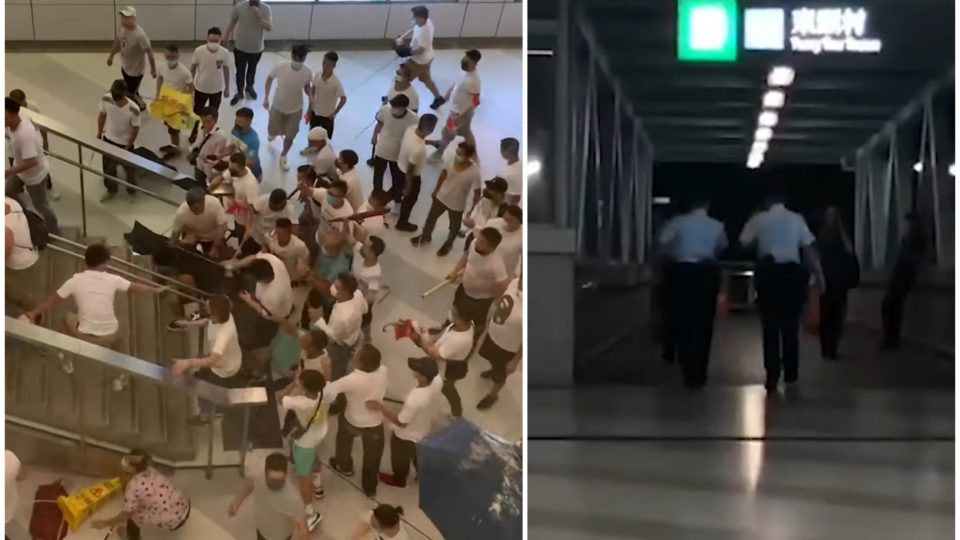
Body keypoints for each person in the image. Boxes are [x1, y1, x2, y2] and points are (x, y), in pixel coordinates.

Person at [23, 244, 167, 391]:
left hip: (83, 333)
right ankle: (122, 376)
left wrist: (32, 314)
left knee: (66, 319)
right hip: (110, 334)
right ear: (105, 262)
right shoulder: (113, 279)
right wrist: (155, 289)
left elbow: (51, 302)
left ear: (86, 261)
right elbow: (135, 287)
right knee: (122, 342)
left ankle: (66, 358)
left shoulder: (75, 281)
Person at [739, 188, 825, 393]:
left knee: (769, 326)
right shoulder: (797, 219)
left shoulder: (760, 219)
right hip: (792, 274)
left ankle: (772, 373)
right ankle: (791, 371)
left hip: (768, 273)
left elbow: (743, 243)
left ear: (768, 201)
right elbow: (808, 248)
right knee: (790, 325)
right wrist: (819, 275)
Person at [658, 195, 727, 388]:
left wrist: (674, 254)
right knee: (704, 321)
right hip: (706, 272)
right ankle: (700, 369)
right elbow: (721, 247)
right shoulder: (717, 225)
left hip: (682, 272)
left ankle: (685, 363)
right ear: (707, 205)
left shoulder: (677, 222)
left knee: (682, 317)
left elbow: (663, 244)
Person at [367, 358, 440, 488]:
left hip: (406, 435)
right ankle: (424, 474)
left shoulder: (415, 400)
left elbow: (401, 422)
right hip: (422, 428)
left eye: (417, 370)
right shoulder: (437, 381)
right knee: (417, 455)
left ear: (423, 377)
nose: (414, 371)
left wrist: (381, 407)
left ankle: (398, 480)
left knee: (400, 459)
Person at [327, 344, 387, 497]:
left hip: (353, 420)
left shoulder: (351, 380)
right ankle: (370, 487)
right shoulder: (383, 371)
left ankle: (345, 465)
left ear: (361, 363)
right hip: (375, 423)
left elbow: (329, 393)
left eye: (357, 353)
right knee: (372, 458)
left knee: (343, 443)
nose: (354, 352)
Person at [90, 450, 190, 539]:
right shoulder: (150, 470)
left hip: (173, 521)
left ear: (130, 471)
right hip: (184, 506)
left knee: (133, 517)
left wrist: (104, 523)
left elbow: (124, 515)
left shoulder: (133, 487)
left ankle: (131, 537)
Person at [279, 368, 329, 531]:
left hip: (305, 442)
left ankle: (310, 512)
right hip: (319, 432)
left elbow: (280, 399)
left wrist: (293, 384)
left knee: (303, 475)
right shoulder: (325, 391)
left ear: (305, 388)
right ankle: (318, 484)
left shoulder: (300, 402)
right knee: (313, 456)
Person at [411, 140, 481, 254]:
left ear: (468, 156)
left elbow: (477, 192)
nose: (457, 155)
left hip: (457, 203)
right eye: (457, 152)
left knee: (454, 226)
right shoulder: (451, 159)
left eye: (461, 154)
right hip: (441, 196)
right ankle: (425, 236)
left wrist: (473, 209)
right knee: (431, 218)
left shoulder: (474, 172)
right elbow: (443, 174)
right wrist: (436, 190)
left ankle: (448, 244)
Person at [5, 98, 58, 234]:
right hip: (21, 172)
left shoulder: (24, 136)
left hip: (35, 176)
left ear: (11, 114)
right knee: (8, 191)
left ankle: (54, 230)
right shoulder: (15, 122)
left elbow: (32, 162)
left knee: (41, 205)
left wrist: (10, 171)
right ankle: (23, 214)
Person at [410, 304, 474, 417]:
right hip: (444, 361)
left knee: (448, 390)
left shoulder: (459, 340)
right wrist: (426, 335)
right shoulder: (464, 325)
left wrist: (419, 341)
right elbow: (444, 333)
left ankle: (457, 414)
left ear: (461, 319)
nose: (450, 313)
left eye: (454, 313)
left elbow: (435, 354)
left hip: (447, 370)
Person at [229, 452, 310, 540]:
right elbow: (249, 485)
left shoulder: (293, 498)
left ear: (286, 475)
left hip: (280, 537)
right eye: (272, 480)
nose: (276, 484)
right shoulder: (258, 478)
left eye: (279, 481)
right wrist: (237, 503)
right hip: (261, 529)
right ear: (265, 474)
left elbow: (303, 527)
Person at [448, 227, 509, 339]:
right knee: (457, 309)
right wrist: (455, 271)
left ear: (491, 247)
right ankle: (451, 327)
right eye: (478, 238)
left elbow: (503, 285)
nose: (477, 242)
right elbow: (467, 255)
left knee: (476, 322)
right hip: (464, 288)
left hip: (479, 300)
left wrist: (487, 292)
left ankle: (472, 339)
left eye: (482, 242)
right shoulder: (474, 243)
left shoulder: (496, 263)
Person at [815, 207, 857, 360]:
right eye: (829, 216)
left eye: (834, 216)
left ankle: (832, 348)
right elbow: (817, 258)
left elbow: (850, 250)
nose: (831, 219)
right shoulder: (823, 235)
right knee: (827, 315)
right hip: (828, 279)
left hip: (839, 279)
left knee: (837, 315)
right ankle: (826, 348)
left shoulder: (840, 235)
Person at [881, 213, 927, 350]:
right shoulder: (911, 236)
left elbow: (917, 257)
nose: (906, 226)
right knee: (891, 306)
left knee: (891, 305)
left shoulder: (916, 237)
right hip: (900, 274)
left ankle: (891, 339)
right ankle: (891, 338)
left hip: (904, 275)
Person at [263, 44, 312, 171]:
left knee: (290, 135)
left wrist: (310, 94)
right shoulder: (281, 66)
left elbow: (307, 86)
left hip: (295, 108)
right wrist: (266, 97)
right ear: (292, 56)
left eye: (302, 59)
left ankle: (284, 155)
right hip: (278, 105)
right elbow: (269, 79)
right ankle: (273, 134)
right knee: (272, 130)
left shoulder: (307, 71)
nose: (299, 61)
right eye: (296, 58)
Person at [313, 272, 366, 389]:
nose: (332, 288)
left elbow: (333, 336)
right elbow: (365, 309)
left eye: (336, 287)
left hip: (341, 345)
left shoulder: (344, 317)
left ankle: (335, 388)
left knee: (337, 367)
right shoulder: (358, 294)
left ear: (345, 292)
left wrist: (318, 321)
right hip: (355, 334)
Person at [477, 274, 522, 409]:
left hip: (508, 347)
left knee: (501, 375)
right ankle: (493, 369)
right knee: (491, 359)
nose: (520, 282)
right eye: (521, 278)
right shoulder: (514, 282)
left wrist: (515, 361)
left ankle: (493, 395)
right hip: (493, 336)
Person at [8, 90, 58, 202]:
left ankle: (49, 189)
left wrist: (45, 142)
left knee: (41, 169)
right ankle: (21, 198)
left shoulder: (33, 107)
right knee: (14, 180)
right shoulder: (8, 111)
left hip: (33, 145)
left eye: (23, 103)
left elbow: (42, 125)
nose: (22, 107)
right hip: (14, 151)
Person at [432, 49, 482, 158]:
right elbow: (456, 84)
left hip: (459, 113)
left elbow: (476, 102)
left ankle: (439, 153)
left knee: (447, 132)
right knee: (466, 132)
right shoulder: (465, 71)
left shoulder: (474, 81)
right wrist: (446, 97)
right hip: (456, 110)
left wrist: (460, 118)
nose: (463, 62)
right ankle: (474, 154)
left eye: (466, 61)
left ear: (474, 63)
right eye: (463, 59)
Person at [97, 80, 142, 202]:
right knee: (108, 168)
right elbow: (102, 115)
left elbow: (135, 129)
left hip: (125, 143)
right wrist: (99, 131)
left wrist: (128, 145)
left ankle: (131, 191)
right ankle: (111, 190)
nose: (115, 99)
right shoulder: (106, 99)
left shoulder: (134, 109)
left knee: (129, 169)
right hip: (109, 138)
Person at [395, 113, 439, 232]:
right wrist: (409, 187)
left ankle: (392, 199)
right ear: (428, 128)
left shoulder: (411, 129)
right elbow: (411, 169)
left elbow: (419, 139)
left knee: (397, 188)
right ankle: (402, 223)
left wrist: (431, 142)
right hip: (411, 175)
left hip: (400, 165)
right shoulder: (418, 149)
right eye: (432, 128)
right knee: (410, 199)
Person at [224, 0, 273, 106]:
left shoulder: (266, 8)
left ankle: (249, 87)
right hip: (240, 46)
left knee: (252, 69)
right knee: (240, 70)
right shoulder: (240, 7)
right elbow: (232, 22)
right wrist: (226, 37)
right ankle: (240, 91)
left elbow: (269, 27)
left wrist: (259, 16)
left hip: (256, 48)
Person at [396, 6, 444, 110]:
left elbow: (421, 49)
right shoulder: (426, 21)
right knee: (426, 79)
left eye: (414, 17)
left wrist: (406, 51)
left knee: (400, 78)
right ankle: (438, 98)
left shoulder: (425, 32)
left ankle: (392, 98)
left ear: (421, 18)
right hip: (428, 59)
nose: (412, 19)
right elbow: (413, 29)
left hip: (418, 61)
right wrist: (402, 38)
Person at [189, 27, 231, 144]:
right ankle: (194, 131)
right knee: (197, 113)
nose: (213, 43)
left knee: (212, 115)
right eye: (211, 40)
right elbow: (192, 68)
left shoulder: (224, 53)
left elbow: (226, 70)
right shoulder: (199, 51)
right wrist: (190, 84)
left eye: (216, 41)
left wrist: (227, 87)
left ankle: (208, 134)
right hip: (200, 88)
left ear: (220, 40)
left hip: (216, 90)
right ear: (207, 38)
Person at [371, 95, 417, 202]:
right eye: (392, 106)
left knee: (397, 177)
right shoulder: (385, 109)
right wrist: (374, 136)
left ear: (404, 107)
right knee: (378, 174)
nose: (393, 109)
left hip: (398, 152)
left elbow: (413, 136)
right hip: (382, 149)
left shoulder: (413, 119)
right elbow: (379, 123)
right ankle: (377, 193)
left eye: (396, 107)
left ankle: (396, 195)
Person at [265, 218, 311, 325]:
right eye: (277, 232)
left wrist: (302, 270)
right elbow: (265, 243)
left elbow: (306, 259)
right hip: (276, 274)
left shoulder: (299, 246)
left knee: (291, 296)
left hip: (291, 276)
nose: (278, 236)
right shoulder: (271, 237)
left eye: (281, 234)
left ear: (289, 233)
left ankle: (298, 314)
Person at [109, 7, 156, 111]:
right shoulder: (122, 28)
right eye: (122, 17)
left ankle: (140, 105)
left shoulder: (140, 35)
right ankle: (135, 93)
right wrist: (111, 55)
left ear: (133, 18)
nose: (123, 19)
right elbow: (118, 42)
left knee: (130, 92)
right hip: (125, 66)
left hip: (136, 71)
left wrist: (153, 70)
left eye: (127, 17)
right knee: (130, 87)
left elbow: (150, 53)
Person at [344, 226, 385, 342]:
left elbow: (371, 296)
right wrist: (347, 224)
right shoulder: (360, 250)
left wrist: (359, 307)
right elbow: (351, 240)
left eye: (366, 247)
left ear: (372, 253)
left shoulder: (375, 273)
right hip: (352, 292)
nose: (362, 247)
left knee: (365, 322)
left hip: (362, 300)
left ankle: (367, 337)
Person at [156, 44, 193, 159]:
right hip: (166, 101)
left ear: (178, 56)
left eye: (173, 57)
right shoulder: (162, 66)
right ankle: (173, 145)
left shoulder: (184, 72)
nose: (170, 60)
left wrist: (182, 100)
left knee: (174, 128)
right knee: (169, 126)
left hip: (176, 105)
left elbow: (191, 87)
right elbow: (160, 78)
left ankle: (175, 149)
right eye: (168, 57)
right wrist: (157, 94)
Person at [169, 187, 228, 257]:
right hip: (192, 234)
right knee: (184, 256)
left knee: (215, 259)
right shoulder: (181, 212)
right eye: (193, 209)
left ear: (203, 201)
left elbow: (222, 226)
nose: (196, 211)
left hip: (212, 237)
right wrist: (178, 244)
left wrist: (215, 247)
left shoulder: (214, 203)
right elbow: (176, 231)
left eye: (197, 208)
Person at [5, 197, 39, 315]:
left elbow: (5, 253)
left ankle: (33, 314)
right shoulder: (11, 202)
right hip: (30, 251)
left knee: (18, 293)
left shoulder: (5, 228)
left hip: (19, 265)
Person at [306, 51, 347, 142]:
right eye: (324, 62)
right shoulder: (317, 74)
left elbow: (343, 99)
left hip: (327, 116)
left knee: (326, 140)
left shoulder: (336, 82)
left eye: (328, 64)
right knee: (312, 136)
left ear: (333, 66)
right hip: (315, 113)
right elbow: (313, 88)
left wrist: (335, 112)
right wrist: (309, 109)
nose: (324, 66)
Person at [463, 177, 508, 251]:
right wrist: (470, 219)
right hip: (473, 235)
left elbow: (492, 229)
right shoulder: (485, 198)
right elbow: (477, 211)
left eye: (491, 189)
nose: (486, 189)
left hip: (484, 242)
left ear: (499, 193)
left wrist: (473, 225)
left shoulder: (502, 211)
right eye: (487, 187)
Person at [189, 108, 229, 185]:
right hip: (198, 162)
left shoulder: (221, 136)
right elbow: (198, 142)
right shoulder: (201, 128)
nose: (205, 124)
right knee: (198, 178)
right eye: (203, 121)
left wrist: (207, 159)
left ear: (215, 120)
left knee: (207, 183)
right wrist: (191, 150)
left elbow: (218, 155)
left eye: (208, 121)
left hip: (209, 167)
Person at [485, 204, 523, 279]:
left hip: (504, 275)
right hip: (484, 269)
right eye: (505, 219)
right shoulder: (492, 223)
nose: (505, 222)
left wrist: (521, 279)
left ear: (519, 222)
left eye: (510, 221)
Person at [227, 107, 262, 180]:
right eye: (236, 121)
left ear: (249, 122)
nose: (237, 124)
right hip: (237, 167)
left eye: (240, 122)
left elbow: (250, 161)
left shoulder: (254, 140)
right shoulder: (236, 129)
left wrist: (233, 167)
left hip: (251, 173)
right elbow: (233, 146)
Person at [499, 137, 522, 204]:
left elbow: (515, 197)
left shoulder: (511, 174)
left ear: (506, 152)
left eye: (501, 150)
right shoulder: (522, 164)